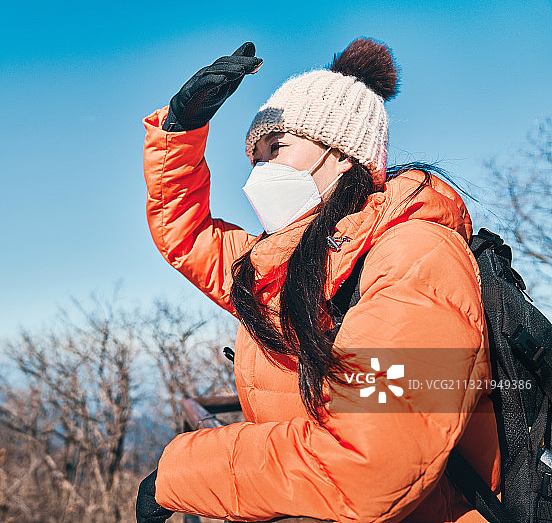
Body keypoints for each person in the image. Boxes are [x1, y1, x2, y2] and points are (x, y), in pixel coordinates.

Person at [136, 38, 500, 522]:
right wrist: (180, 131)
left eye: (276, 148)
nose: (259, 172)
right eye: (256, 158)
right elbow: (186, 237)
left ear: (343, 154)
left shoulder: (415, 256)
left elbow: (368, 465)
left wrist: (180, 471)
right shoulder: (289, 266)